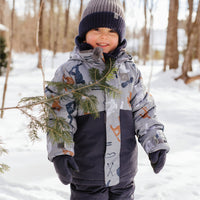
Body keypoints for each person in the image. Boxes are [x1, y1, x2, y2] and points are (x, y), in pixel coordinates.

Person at [45, 0, 170, 199]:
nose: (104, 36)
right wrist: (61, 152)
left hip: (124, 175)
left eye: (112, 31)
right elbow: (58, 115)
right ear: (84, 32)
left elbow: (144, 110)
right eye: (96, 29)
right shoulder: (69, 72)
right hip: (87, 174)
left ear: (120, 36)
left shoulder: (130, 71)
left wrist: (155, 143)